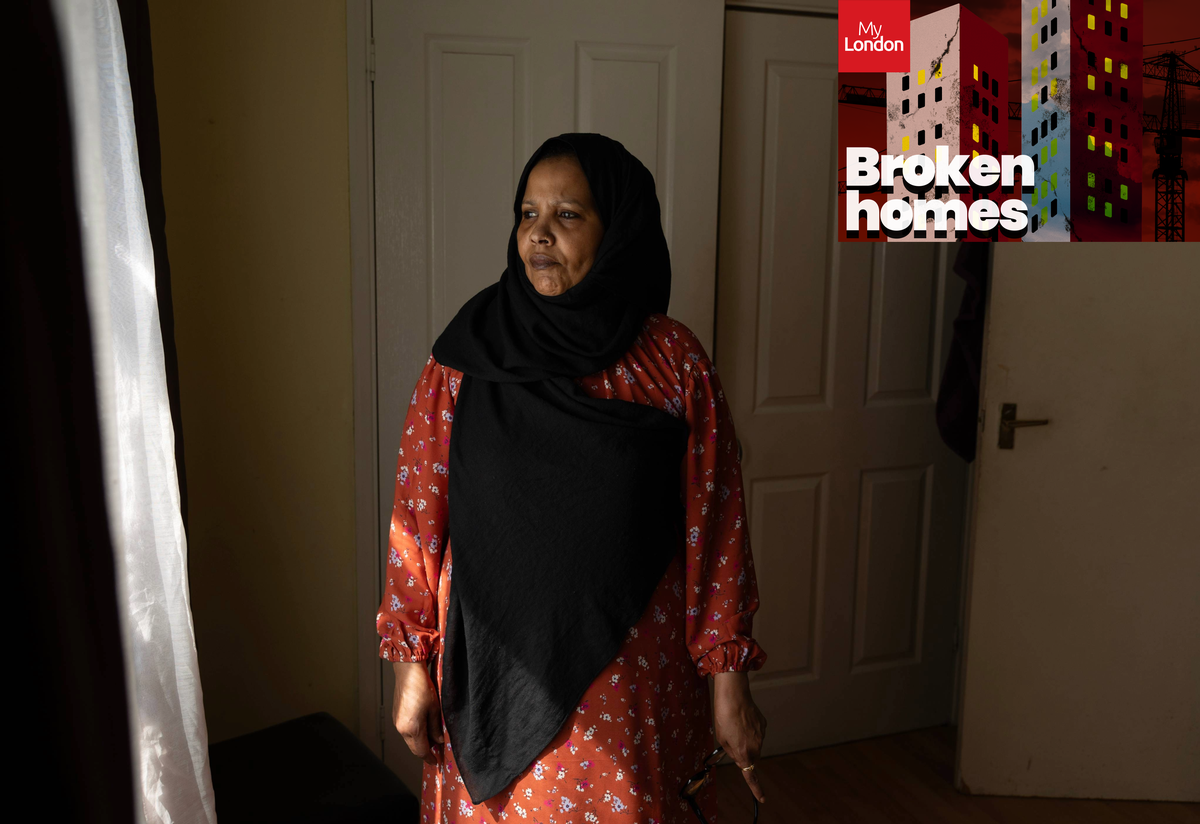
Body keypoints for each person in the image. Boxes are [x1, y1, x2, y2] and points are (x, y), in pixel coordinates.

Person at [376, 133, 767, 824]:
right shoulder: (466, 357)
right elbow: (418, 515)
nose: (540, 235)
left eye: (568, 215)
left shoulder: (670, 362)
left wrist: (727, 687)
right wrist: (411, 664)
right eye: (528, 214)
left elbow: (718, 522)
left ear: (616, 229)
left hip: (628, 683)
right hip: (489, 676)